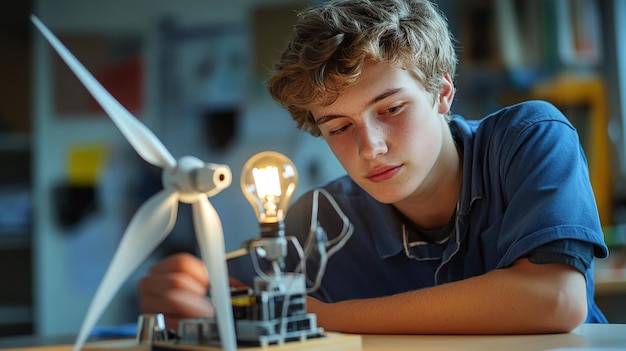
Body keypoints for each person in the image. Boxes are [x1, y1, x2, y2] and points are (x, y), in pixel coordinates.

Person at [139, 0, 609, 334]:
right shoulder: (322, 220)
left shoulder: (528, 136)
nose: (371, 148)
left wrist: (321, 317)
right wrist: (184, 290)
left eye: (391, 109)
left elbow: (556, 299)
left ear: (442, 92)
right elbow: (222, 291)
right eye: (338, 126)